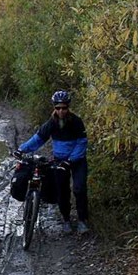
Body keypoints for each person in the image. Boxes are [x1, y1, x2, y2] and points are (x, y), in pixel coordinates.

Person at [17, 90, 89, 234]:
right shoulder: (51, 123)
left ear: (68, 107)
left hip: (77, 160)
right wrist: (21, 150)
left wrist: (71, 160)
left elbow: (82, 143)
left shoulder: (76, 122)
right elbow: (38, 139)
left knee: (79, 189)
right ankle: (66, 219)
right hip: (59, 160)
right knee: (62, 191)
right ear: (54, 108)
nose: (61, 111)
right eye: (58, 108)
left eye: (64, 108)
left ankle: (82, 220)